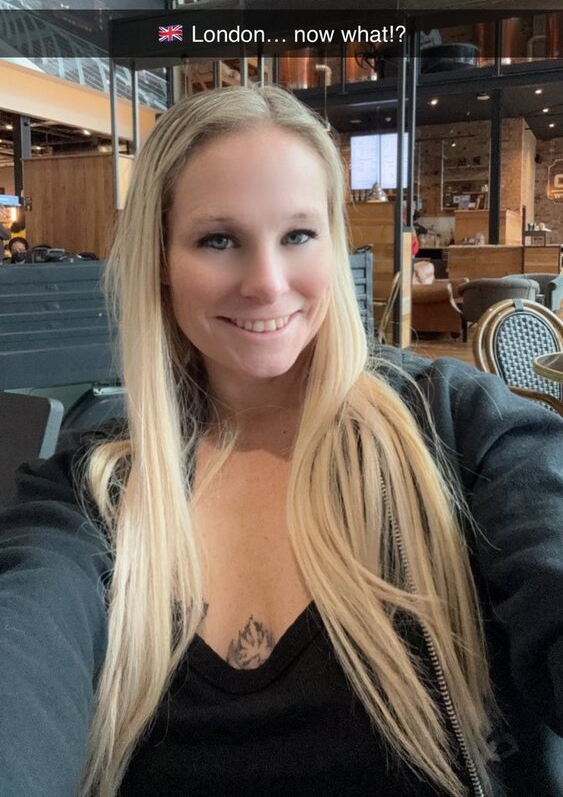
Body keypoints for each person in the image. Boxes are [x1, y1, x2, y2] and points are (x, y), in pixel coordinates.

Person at [0, 86, 562, 797]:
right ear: (160, 260)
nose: (266, 285)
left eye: (297, 235)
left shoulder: (462, 431)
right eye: (218, 240)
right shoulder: (88, 494)